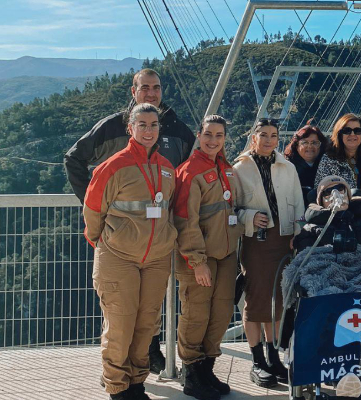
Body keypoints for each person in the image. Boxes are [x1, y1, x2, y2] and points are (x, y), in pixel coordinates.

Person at [64, 68, 194, 373]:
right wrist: (99, 217)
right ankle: (117, 376)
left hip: (158, 237)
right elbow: (74, 159)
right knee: (121, 311)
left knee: (150, 307)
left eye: (156, 87)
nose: (151, 93)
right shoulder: (112, 127)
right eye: (144, 87)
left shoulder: (176, 129)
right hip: (120, 240)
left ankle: (147, 359)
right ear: (133, 92)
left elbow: (190, 174)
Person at [83, 103, 178, 400]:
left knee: (146, 325)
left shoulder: (167, 168)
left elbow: (169, 209)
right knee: (120, 325)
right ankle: (117, 387)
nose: (149, 130)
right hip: (118, 257)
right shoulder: (113, 166)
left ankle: (137, 383)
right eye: (142, 125)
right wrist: (104, 242)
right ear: (131, 128)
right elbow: (93, 210)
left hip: (156, 259)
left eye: (154, 125)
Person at [173, 115, 243, 400]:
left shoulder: (227, 169)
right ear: (199, 136)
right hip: (200, 258)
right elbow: (185, 220)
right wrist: (197, 261)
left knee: (221, 313)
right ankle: (191, 374)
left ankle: (207, 369)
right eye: (208, 134)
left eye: (219, 135)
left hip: (225, 254)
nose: (213, 140)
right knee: (196, 314)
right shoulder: (189, 172)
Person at [233, 118, 305, 388]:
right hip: (255, 241)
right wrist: (249, 217)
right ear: (254, 137)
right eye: (263, 134)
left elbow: (298, 203)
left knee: (277, 300)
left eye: (273, 135)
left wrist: (298, 234)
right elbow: (232, 208)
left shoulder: (288, 167)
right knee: (255, 300)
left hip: (283, 240)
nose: (268, 140)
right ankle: (257, 361)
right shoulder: (239, 169)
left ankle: (273, 357)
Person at [294, 175, 361, 252]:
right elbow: (305, 262)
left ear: (348, 195)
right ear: (321, 202)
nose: (335, 194)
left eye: (340, 188)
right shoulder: (310, 230)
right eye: (328, 192)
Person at [314, 113, 361, 195]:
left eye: (357, 131)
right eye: (347, 131)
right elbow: (320, 191)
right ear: (339, 134)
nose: (352, 134)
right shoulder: (329, 160)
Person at [283, 122, 328, 205]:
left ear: (321, 146)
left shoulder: (328, 165)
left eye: (315, 143)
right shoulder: (287, 166)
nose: (310, 146)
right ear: (296, 146)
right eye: (304, 142)